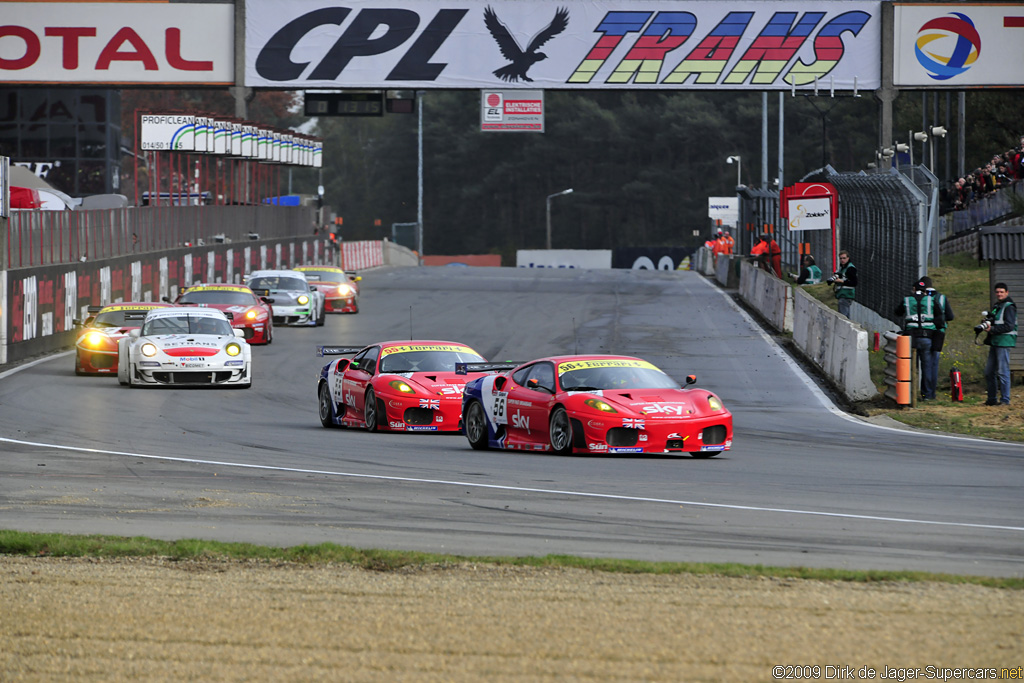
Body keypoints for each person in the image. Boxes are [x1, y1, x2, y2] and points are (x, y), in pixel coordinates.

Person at [896, 278, 944, 401]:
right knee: (927, 367)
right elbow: (940, 318)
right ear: (925, 291)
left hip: (910, 339)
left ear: (914, 289)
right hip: (927, 338)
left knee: (910, 367)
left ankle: (909, 394)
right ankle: (927, 395)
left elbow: (897, 312)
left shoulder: (907, 300)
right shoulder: (931, 300)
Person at [980, 282, 1017, 406]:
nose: (999, 294)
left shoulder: (1009, 307)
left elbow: (1009, 325)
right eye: (997, 292)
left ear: (1007, 292)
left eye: (1001, 292)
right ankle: (992, 399)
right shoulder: (997, 306)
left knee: (1003, 371)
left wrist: (992, 329)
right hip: (995, 341)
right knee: (989, 371)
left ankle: (1005, 400)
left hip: (1004, 341)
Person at [923, 276, 954, 400]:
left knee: (926, 363)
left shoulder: (923, 298)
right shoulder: (942, 297)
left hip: (925, 332)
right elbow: (950, 316)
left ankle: (926, 393)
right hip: (939, 333)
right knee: (934, 363)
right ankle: (932, 393)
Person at [831, 250, 857, 318]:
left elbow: (854, 282)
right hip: (842, 295)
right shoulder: (841, 268)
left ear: (848, 258)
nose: (842, 260)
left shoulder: (850, 268)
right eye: (841, 258)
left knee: (843, 317)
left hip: (846, 295)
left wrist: (841, 281)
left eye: (844, 258)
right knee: (845, 315)